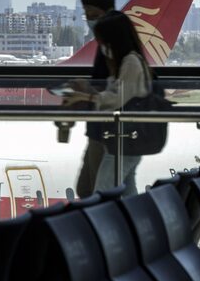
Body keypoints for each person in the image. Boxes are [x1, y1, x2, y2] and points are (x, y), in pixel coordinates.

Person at [62, 10, 152, 195]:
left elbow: (116, 100)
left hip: (126, 140)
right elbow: (114, 95)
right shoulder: (125, 63)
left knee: (102, 193)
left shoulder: (131, 63)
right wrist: (88, 89)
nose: (101, 46)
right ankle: (136, 223)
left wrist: (86, 97)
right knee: (128, 194)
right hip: (126, 140)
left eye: (103, 40)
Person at [67, 0, 115, 198]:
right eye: (87, 14)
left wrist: (85, 91)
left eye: (93, 14)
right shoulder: (103, 45)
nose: (90, 20)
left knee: (97, 192)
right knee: (86, 189)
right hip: (97, 128)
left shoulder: (112, 48)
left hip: (107, 130)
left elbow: (115, 90)